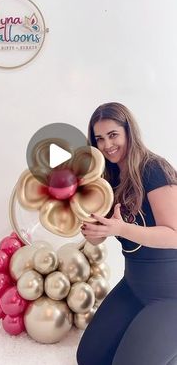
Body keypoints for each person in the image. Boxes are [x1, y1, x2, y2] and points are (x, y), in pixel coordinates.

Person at [76, 102, 177, 365]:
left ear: (128, 132)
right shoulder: (106, 178)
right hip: (133, 285)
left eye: (113, 135)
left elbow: (174, 234)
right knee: (89, 358)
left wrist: (122, 229)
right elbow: (99, 236)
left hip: (170, 293)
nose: (107, 145)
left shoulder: (153, 169)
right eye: (99, 138)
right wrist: (92, 229)